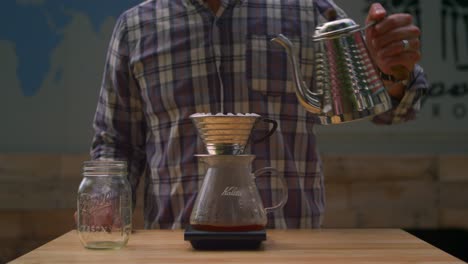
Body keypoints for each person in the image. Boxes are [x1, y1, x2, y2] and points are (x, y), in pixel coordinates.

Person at [89, 0, 428, 229]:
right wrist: (105, 201)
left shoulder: (308, 10)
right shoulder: (136, 27)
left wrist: (391, 72)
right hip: (174, 246)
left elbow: (399, 107)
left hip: (291, 248)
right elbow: (116, 141)